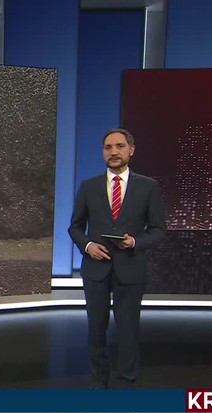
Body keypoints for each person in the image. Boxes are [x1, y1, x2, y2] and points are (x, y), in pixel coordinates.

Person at [68, 128, 166, 393]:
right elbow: (75, 227)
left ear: (131, 150)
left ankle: (127, 388)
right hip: (96, 270)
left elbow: (158, 231)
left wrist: (134, 242)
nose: (113, 152)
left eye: (119, 146)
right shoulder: (89, 187)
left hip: (131, 269)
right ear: (103, 152)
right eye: (108, 147)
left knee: (128, 333)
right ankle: (99, 383)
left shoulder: (148, 187)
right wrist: (88, 246)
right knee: (96, 330)